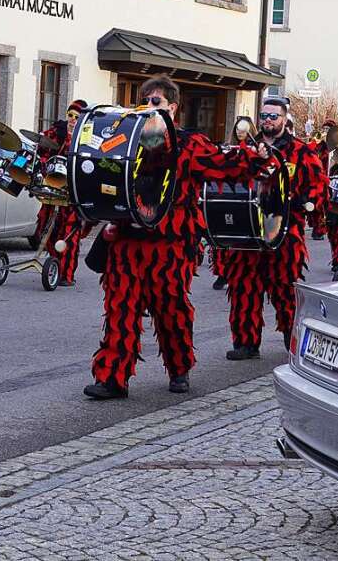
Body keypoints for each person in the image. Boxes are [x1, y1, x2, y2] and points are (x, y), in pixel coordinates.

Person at [84, 75, 270, 400]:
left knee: (171, 309)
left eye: (155, 102)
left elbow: (222, 164)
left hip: (170, 243)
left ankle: (179, 367)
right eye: (145, 101)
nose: (148, 108)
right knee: (120, 308)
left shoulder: (189, 144)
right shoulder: (127, 140)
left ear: (172, 106)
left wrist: (254, 156)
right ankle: (112, 377)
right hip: (129, 239)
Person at [222, 97, 326, 360]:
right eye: (264, 116)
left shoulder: (301, 151)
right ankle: (246, 342)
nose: (268, 121)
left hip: (284, 231)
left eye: (274, 116)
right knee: (243, 286)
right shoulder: (247, 149)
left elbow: (318, 184)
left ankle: (291, 341)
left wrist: (307, 201)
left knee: (284, 289)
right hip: (249, 229)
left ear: (284, 119)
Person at [35, 100, 89, 285]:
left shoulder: (87, 137)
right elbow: (40, 148)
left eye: (77, 117)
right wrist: (42, 163)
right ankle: (54, 265)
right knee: (46, 227)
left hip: (74, 190)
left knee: (69, 233)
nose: (73, 120)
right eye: (70, 116)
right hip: (53, 186)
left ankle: (67, 274)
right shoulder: (56, 132)